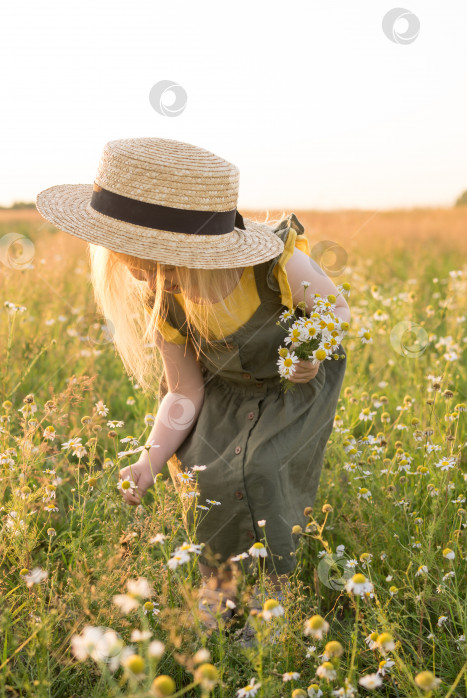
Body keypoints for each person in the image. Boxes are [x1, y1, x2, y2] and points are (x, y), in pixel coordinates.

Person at [35, 136, 349, 634]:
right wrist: (150, 457)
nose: (143, 274)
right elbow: (183, 390)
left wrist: (306, 354)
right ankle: (220, 590)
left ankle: (273, 594)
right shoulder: (160, 297)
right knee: (202, 471)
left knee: (263, 468)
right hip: (223, 389)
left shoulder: (276, 266)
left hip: (289, 386)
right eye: (127, 258)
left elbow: (336, 309)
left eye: (159, 261)